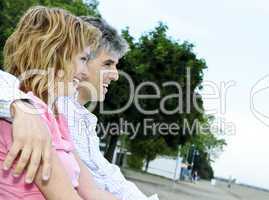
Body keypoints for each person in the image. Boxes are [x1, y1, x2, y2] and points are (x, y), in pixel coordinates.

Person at [0, 13, 158, 200]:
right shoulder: (28, 116)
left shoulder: (56, 117)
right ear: (55, 57)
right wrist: (19, 106)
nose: (83, 72)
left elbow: (92, 191)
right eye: (83, 59)